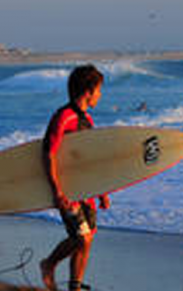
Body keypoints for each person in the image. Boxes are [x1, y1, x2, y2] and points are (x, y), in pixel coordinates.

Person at [39, 64, 111, 291]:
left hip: (85, 190)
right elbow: (48, 153)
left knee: (86, 241)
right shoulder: (63, 117)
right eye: (98, 90)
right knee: (82, 238)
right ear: (88, 91)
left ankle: (75, 286)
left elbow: (88, 161)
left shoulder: (87, 121)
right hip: (67, 190)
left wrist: (102, 192)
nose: (100, 95)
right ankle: (49, 264)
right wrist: (56, 190)